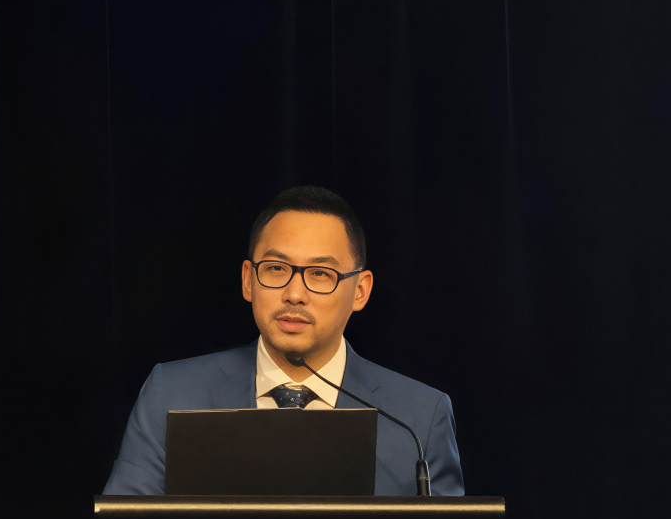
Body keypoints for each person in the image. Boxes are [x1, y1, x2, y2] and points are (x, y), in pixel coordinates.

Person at [103, 186, 464, 495]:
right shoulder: (172, 393)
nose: (294, 294)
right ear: (248, 280)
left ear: (360, 291)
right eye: (277, 269)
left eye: (320, 274)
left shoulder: (419, 418)